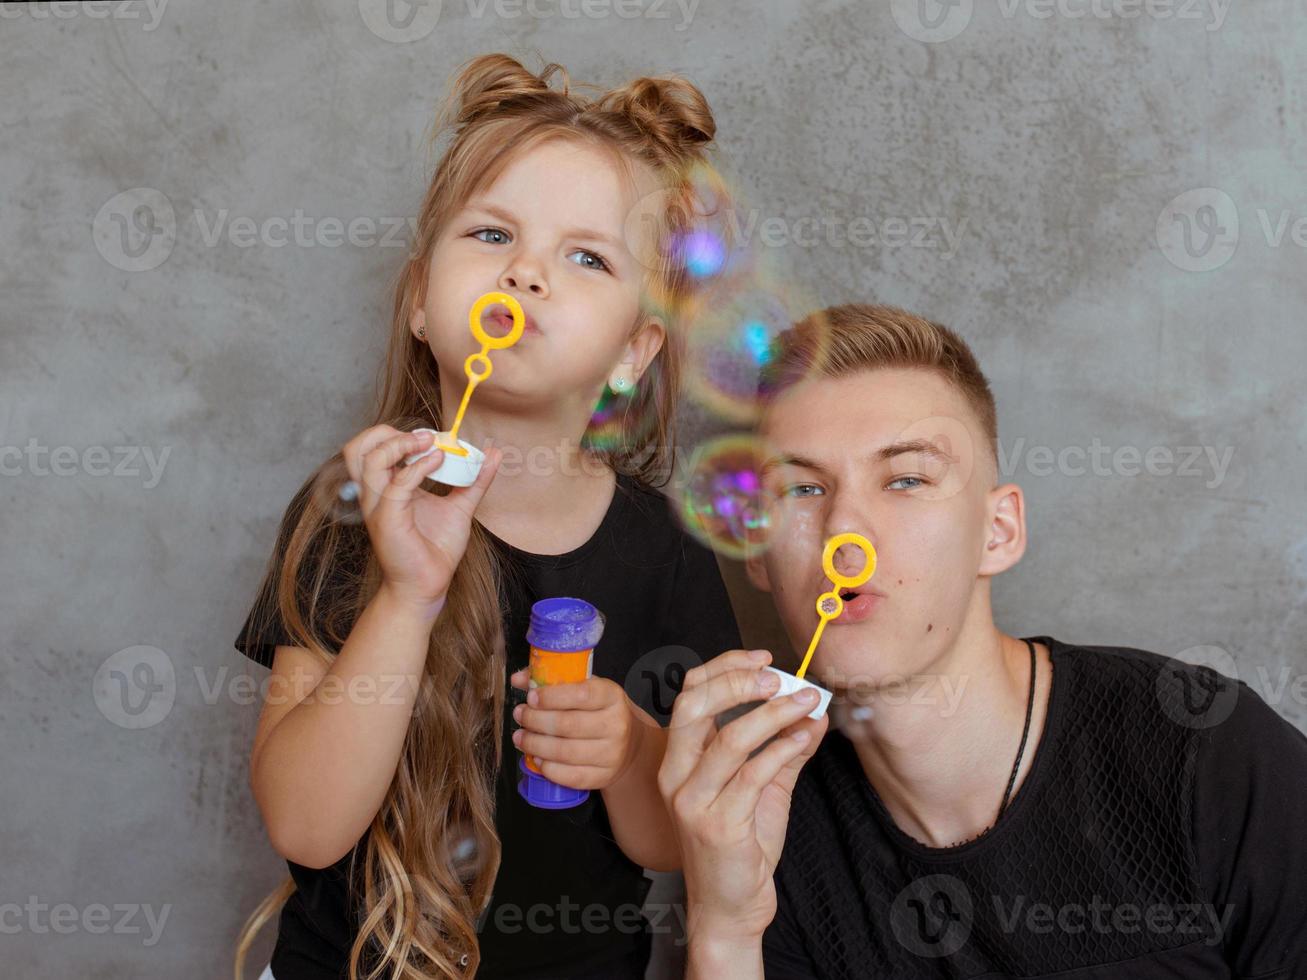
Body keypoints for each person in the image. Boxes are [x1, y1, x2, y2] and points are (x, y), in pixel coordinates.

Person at [231, 54, 741, 980]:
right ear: (422, 300)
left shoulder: (664, 553)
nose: (527, 275)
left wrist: (628, 748)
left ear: (633, 350)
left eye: (585, 256)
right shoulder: (353, 511)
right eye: (493, 234)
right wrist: (406, 600)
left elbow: (674, 843)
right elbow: (305, 827)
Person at [659, 303, 1307, 978]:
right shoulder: (771, 826)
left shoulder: (1200, 751)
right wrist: (724, 927)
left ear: (997, 532)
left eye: (905, 479)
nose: (841, 531)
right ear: (758, 555)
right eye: (801, 487)